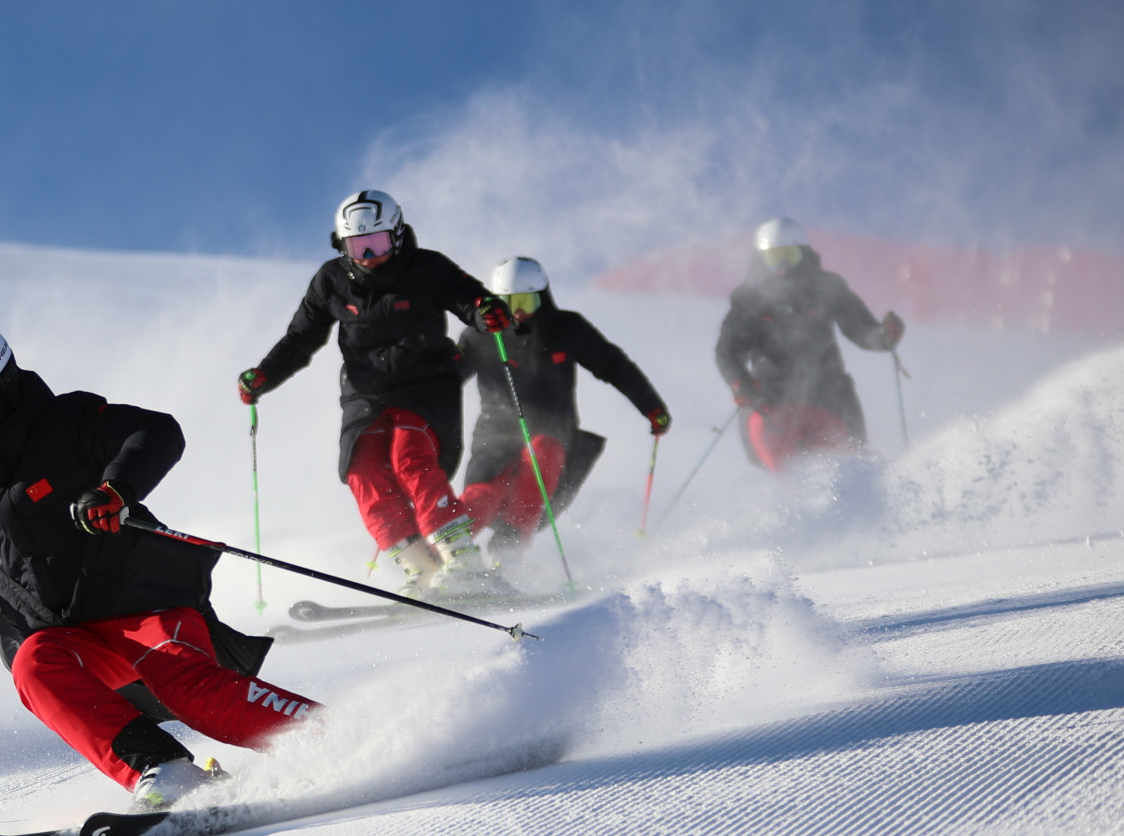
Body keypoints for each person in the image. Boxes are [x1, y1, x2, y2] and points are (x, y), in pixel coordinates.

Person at [0, 321, 317, 810]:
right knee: (32, 666)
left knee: (188, 688)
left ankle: (326, 734)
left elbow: (156, 431)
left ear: (4, 387)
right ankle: (163, 769)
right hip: (67, 632)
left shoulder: (66, 421)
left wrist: (117, 489)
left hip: (142, 600)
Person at [236, 190, 511, 595]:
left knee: (409, 456)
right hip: (365, 391)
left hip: (426, 385)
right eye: (357, 246)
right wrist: (264, 375)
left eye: (377, 244)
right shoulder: (331, 280)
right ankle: (422, 567)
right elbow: (300, 339)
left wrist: (488, 313)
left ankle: (462, 558)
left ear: (396, 236)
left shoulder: (427, 267)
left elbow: (470, 299)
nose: (368, 256)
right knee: (361, 469)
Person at [457, 256, 670, 551]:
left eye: (526, 302)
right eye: (508, 303)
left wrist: (651, 406)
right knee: (486, 491)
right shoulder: (480, 336)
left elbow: (613, 365)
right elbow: (445, 379)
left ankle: (507, 553)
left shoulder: (566, 329)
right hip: (496, 436)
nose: (517, 313)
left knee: (542, 452)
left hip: (553, 435)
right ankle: (447, 551)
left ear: (543, 298)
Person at [715, 217, 905, 471]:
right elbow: (727, 350)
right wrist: (740, 383)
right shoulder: (749, 300)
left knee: (846, 466)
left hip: (828, 398)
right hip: (770, 402)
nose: (782, 267)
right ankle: (797, 496)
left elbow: (862, 330)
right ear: (761, 259)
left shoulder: (827, 288)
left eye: (789, 256)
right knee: (786, 466)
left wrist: (884, 336)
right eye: (774, 258)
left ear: (803, 254)